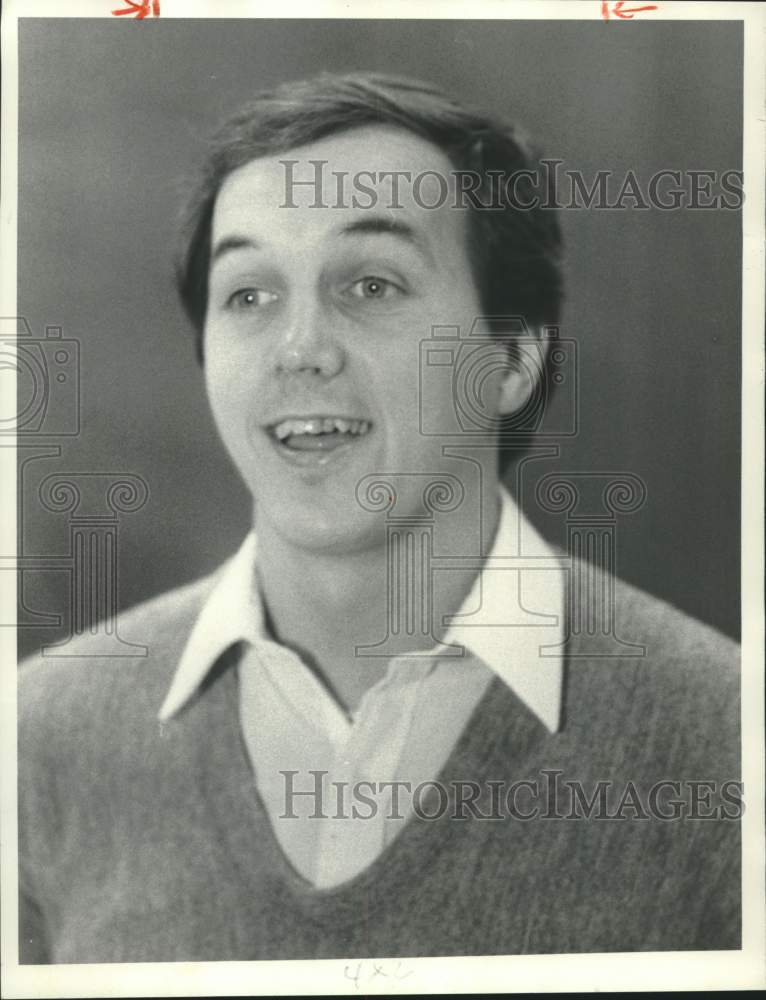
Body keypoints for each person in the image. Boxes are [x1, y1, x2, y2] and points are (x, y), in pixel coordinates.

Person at [18, 72, 740, 964]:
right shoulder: (36, 738)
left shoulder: (726, 742)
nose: (300, 350)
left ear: (510, 360)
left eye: (370, 285)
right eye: (248, 294)